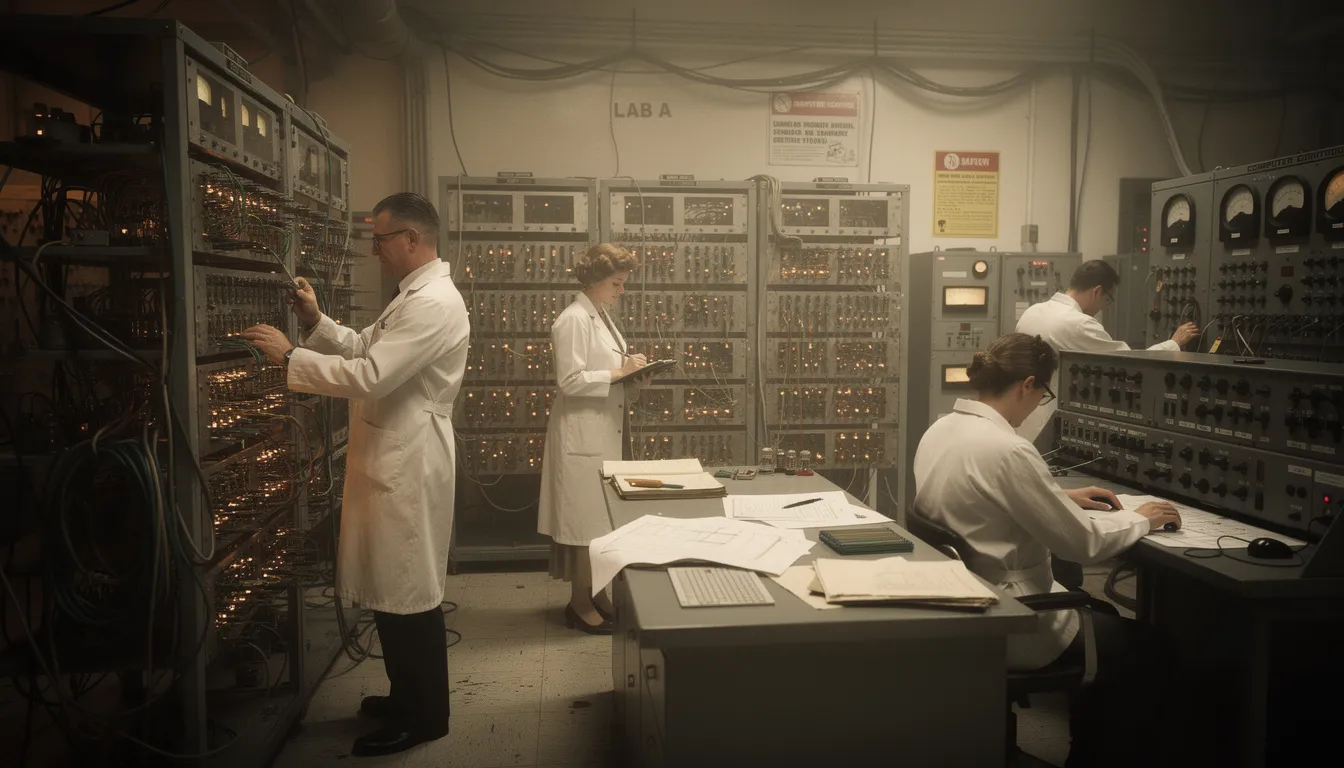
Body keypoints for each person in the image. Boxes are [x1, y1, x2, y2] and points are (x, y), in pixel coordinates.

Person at [242, 192, 467, 757]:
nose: (374, 248)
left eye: (382, 238)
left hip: (410, 455)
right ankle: (405, 695)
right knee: (392, 587)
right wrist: (318, 322)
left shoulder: (435, 302)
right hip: (393, 447)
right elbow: (368, 346)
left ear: (412, 240)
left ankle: (425, 716)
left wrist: (291, 357)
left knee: (410, 590)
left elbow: (369, 374)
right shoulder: (413, 296)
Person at [912, 333, 1182, 768]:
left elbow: (978, 495)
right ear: (1029, 384)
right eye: (1043, 394)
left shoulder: (943, 428)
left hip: (966, 601)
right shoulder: (1009, 449)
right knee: (1153, 649)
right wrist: (1144, 518)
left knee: (1106, 619)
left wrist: (1055, 496)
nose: (1039, 403)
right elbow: (1084, 543)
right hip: (1014, 613)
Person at [537, 243, 647, 634]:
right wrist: (620, 373)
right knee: (584, 527)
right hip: (580, 435)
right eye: (616, 284)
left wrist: (632, 375)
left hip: (600, 430)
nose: (621, 291)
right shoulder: (573, 319)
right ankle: (579, 605)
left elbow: (607, 369)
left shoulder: (598, 316)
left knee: (599, 525)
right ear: (596, 281)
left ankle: (597, 595)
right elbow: (569, 381)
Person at [1015, 259, 1200, 443]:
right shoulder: (1079, 324)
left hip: (1022, 419)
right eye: (1108, 299)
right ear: (1097, 291)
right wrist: (1174, 343)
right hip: (1049, 426)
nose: (1104, 306)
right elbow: (1130, 363)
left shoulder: (1033, 311)